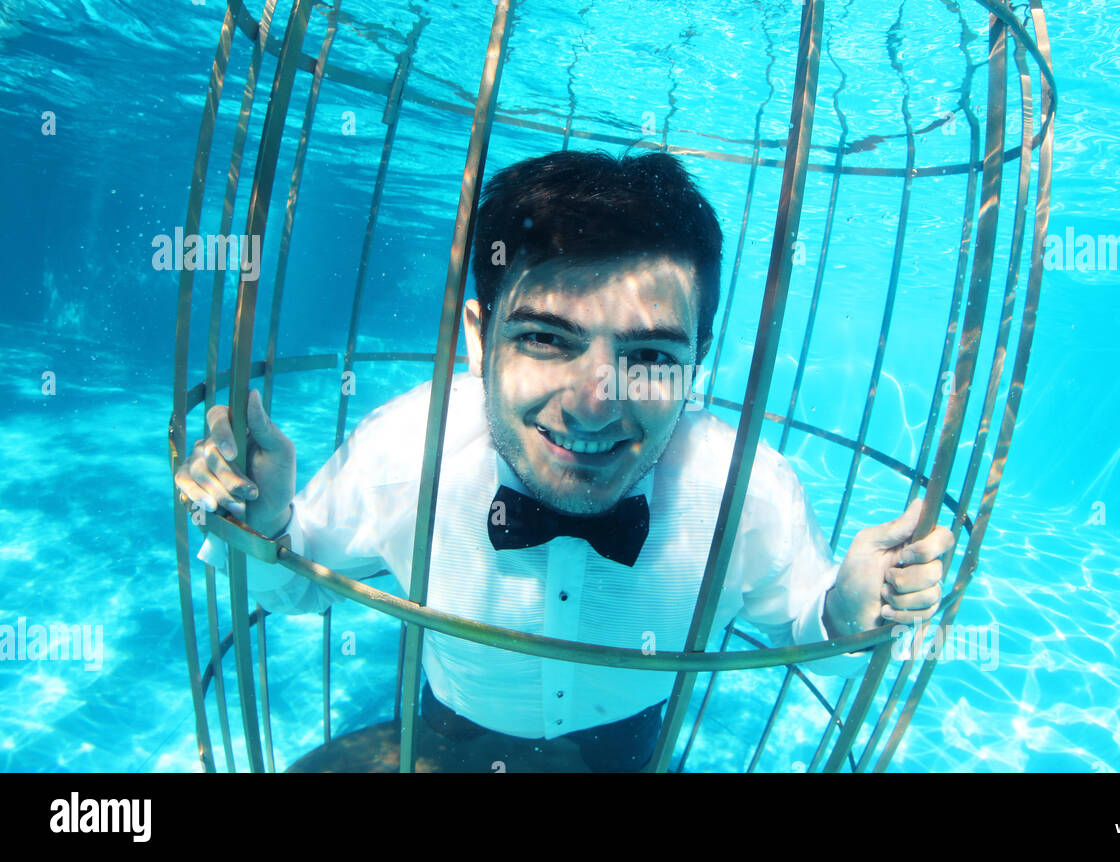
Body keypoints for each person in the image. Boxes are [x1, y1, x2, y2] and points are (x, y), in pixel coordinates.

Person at [175, 149, 954, 772]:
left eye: (648, 356)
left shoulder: (743, 494)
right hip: (442, 740)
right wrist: (264, 519)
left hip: (632, 752)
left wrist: (854, 612)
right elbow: (296, 588)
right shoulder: (407, 451)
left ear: (697, 366)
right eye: (547, 339)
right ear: (478, 338)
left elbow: (807, 624)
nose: (592, 404)